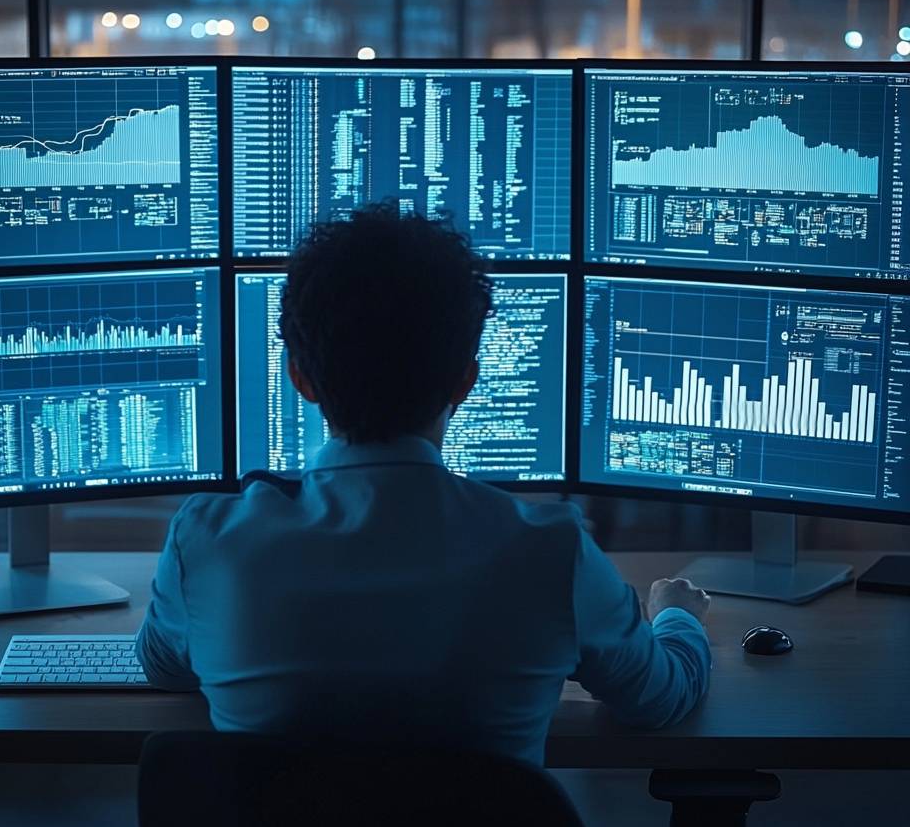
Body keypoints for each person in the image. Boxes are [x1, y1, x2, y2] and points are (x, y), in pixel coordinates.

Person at [137, 204, 711, 765]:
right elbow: (658, 699)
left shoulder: (207, 541)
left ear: (299, 377)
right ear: (466, 378)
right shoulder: (551, 551)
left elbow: (165, 669)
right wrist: (675, 615)